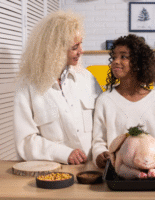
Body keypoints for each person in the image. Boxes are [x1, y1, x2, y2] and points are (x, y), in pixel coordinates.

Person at [13, 10, 102, 165]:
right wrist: (64, 154)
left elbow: (103, 126)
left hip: (91, 171)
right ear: (55, 49)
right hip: (52, 172)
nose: (81, 51)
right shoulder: (27, 85)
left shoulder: (88, 78)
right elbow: (25, 141)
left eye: (81, 43)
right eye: (75, 46)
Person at [92, 34, 155, 169]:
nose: (116, 61)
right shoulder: (104, 101)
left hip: (152, 169)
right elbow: (99, 142)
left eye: (123, 56)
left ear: (138, 62)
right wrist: (100, 154)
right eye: (114, 57)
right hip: (117, 170)